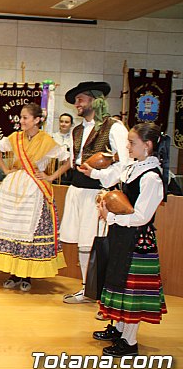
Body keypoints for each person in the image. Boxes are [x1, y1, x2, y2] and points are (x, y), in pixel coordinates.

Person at [92, 123, 168, 357]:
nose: (127, 146)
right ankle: (119, 329)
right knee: (119, 284)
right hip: (122, 237)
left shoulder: (152, 178)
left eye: (132, 143)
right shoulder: (134, 168)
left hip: (138, 241)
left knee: (133, 293)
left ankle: (130, 342)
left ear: (148, 145)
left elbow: (141, 217)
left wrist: (111, 216)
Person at [0, 103, 70, 291]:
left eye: (26, 117)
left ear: (37, 120)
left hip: (34, 189)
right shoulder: (15, 137)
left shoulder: (46, 140)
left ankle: (27, 275)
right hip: (13, 186)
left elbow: (67, 160)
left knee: (29, 232)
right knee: (11, 227)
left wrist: (50, 177)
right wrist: (5, 170)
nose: (22, 121)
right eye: (21, 117)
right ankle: (13, 273)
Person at [60, 81, 129, 305]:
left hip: (98, 193)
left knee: (94, 242)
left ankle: (100, 292)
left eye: (80, 99)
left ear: (95, 100)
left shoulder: (114, 127)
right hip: (77, 190)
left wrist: (99, 175)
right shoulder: (77, 130)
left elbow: (124, 163)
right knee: (82, 242)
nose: (76, 104)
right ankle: (85, 288)